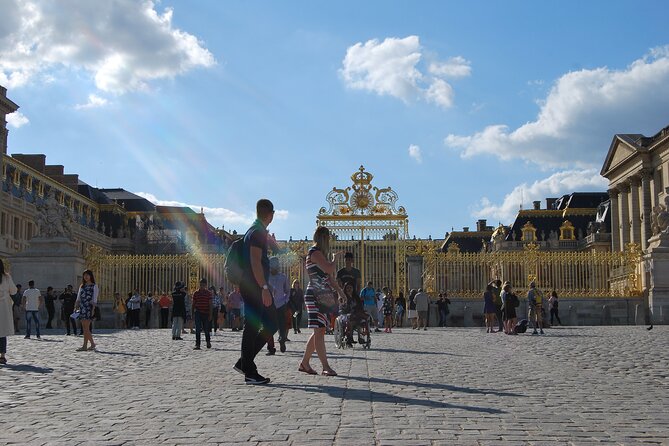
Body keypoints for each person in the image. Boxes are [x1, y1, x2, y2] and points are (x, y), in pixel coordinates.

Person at [233, 199, 279, 385]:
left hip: (253, 285)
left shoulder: (255, 230)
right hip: (255, 286)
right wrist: (264, 288)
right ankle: (249, 371)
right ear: (271, 214)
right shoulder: (257, 232)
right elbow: (255, 262)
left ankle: (245, 362)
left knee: (271, 322)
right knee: (252, 326)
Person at [299, 225, 342, 377]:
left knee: (320, 330)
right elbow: (329, 270)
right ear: (324, 238)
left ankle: (305, 363)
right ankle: (325, 366)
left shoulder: (320, 254)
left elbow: (329, 278)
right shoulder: (315, 252)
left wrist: (340, 292)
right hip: (315, 295)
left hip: (322, 295)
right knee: (319, 331)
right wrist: (334, 260)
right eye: (328, 237)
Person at [266, 257, 290, 355]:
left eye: (274, 267)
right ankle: (271, 348)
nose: (272, 269)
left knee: (282, 325)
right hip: (269, 304)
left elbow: (288, 291)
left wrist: (285, 300)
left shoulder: (283, 277)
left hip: (280, 304)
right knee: (268, 326)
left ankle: (282, 339)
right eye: (271, 267)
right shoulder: (266, 277)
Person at [74, 270, 98, 351]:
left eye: (87, 275)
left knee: (86, 327)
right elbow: (78, 297)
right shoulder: (82, 286)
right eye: (84, 275)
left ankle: (85, 345)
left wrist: (93, 309)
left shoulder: (94, 286)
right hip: (82, 307)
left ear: (91, 276)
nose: (86, 277)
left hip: (89, 307)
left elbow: (95, 299)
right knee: (84, 327)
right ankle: (92, 344)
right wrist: (76, 306)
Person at [0, 259, 18, 364]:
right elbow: (14, 291)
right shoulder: (6, 277)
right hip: (3, 308)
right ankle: (2, 356)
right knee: (2, 332)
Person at [192, 278, 213, 350]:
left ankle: (208, 342)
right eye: (201, 285)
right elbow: (193, 304)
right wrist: (192, 313)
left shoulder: (209, 293)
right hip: (198, 312)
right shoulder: (196, 293)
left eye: (203, 285)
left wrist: (210, 314)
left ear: (206, 285)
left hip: (206, 313)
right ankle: (197, 344)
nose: (202, 286)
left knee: (206, 329)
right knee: (197, 328)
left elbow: (210, 305)